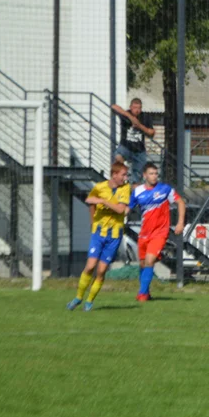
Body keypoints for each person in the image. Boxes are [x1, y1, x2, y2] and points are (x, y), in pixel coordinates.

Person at [67, 162, 132, 311]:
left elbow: (120, 209)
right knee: (90, 266)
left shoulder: (125, 188)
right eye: (123, 175)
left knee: (101, 271)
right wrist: (92, 222)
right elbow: (90, 201)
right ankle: (78, 297)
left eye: (126, 175)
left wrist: (102, 201)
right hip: (98, 233)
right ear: (114, 175)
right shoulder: (99, 187)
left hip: (114, 235)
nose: (125, 178)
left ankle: (89, 301)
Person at [130, 162, 185, 302]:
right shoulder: (137, 191)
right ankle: (146, 293)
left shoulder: (165, 189)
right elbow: (126, 209)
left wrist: (180, 222)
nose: (154, 176)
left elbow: (180, 202)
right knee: (143, 264)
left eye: (156, 174)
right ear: (144, 175)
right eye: (151, 173)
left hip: (160, 232)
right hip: (144, 233)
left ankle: (141, 294)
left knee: (150, 261)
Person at [111, 98, 155, 183]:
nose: (137, 110)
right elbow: (114, 106)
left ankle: (134, 189)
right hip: (126, 146)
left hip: (139, 150)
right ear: (130, 107)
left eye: (139, 108)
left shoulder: (145, 117)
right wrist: (130, 117)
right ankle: (123, 174)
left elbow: (152, 132)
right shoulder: (126, 114)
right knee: (118, 156)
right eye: (135, 108)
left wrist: (139, 126)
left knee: (137, 177)